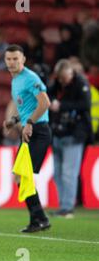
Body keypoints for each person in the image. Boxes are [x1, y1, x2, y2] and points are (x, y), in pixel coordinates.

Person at [3, 44, 52, 233]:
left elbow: (45, 102)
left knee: (23, 176)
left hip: (38, 131)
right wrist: (14, 120)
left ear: (23, 59)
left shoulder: (30, 78)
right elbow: (26, 107)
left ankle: (39, 219)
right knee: (20, 177)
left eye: (16, 58)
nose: (12, 62)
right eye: (9, 59)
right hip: (28, 131)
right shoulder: (15, 80)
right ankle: (39, 218)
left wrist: (30, 122)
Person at [48, 59, 92, 218]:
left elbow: (85, 104)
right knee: (58, 173)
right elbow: (47, 94)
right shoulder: (57, 83)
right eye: (59, 78)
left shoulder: (81, 83)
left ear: (70, 72)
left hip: (75, 134)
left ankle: (67, 207)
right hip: (58, 133)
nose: (62, 81)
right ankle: (63, 206)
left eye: (63, 77)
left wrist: (61, 105)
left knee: (69, 172)